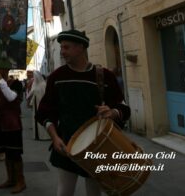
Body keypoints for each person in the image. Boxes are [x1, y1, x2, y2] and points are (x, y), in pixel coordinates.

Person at [36, 30, 131, 196]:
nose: (62, 52)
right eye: (61, 47)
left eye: (66, 47)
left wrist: (112, 112)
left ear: (80, 48)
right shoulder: (57, 77)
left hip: (97, 145)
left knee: (94, 192)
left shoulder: (104, 76)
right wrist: (54, 137)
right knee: (64, 191)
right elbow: (45, 111)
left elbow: (123, 108)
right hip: (66, 143)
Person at [0, 69, 26, 194]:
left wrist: (1, 81)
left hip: (13, 124)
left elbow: (11, 97)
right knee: (7, 153)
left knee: (15, 154)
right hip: (0, 123)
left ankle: (20, 181)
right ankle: (11, 179)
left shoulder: (16, 84)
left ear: (5, 70)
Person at [27, 71, 49, 140]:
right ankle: (37, 135)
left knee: (42, 120)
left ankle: (44, 136)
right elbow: (31, 92)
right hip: (35, 104)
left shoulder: (43, 84)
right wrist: (28, 98)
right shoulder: (35, 84)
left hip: (42, 105)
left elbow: (47, 95)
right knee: (36, 119)